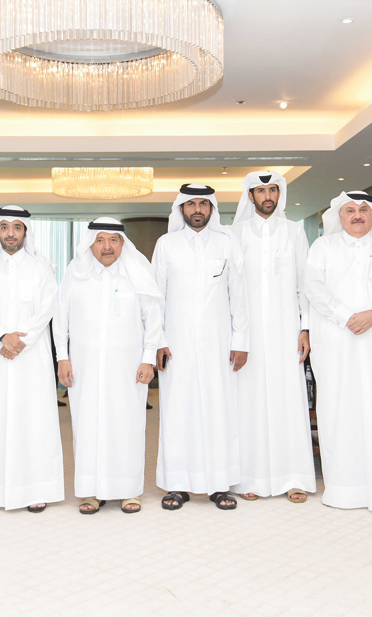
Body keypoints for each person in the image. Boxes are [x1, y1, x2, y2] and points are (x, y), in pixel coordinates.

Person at [303, 191, 372, 513]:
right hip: (336, 339)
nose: (357, 215)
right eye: (350, 210)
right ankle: (343, 490)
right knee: (339, 407)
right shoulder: (323, 247)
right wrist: (344, 316)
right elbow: (313, 287)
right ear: (340, 216)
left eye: (363, 210)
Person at [53, 218, 163, 515]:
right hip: (84, 368)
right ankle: (91, 491)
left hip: (127, 370)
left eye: (113, 240)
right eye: (100, 240)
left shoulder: (136, 275)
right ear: (90, 243)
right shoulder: (74, 275)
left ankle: (128, 490)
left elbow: (153, 319)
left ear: (123, 244)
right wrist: (62, 357)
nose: (106, 246)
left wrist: (148, 358)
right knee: (87, 426)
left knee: (127, 426)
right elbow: (60, 318)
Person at [0, 206, 63, 513]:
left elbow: (48, 307)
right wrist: (1, 337)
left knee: (33, 420)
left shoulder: (42, 267)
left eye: (17, 227)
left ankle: (35, 489)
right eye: (4, 227)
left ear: (25, 232)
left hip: (31, 356)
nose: (11, 233)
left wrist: (21, 340)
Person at [153, 184, 249, 511]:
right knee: (178, 411)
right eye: (190, 204)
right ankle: (177, 484)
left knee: (218, 410)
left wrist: (241, 341)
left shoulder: (227, 243)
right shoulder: (166, 245)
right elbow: (156, 299)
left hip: (219, 345)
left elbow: (240, 296)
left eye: (203, 205)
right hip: (175, 345)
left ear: (211, 209)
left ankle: (219, 484)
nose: (197, 210)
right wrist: (158, 341)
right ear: (180, 208)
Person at [229, 171, 316, 504]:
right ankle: (248, 478)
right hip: (247, 335)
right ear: (249, 196)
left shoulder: (294, 233)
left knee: (287, 401)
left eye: (272, 190)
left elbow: (304, 285)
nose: (267, 196)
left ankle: (293, 477)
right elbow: (229, 289)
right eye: (260, 190)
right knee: (247, 403)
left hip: (285, 333)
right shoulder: (233, 234)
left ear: (280, 194)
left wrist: (305, 327)